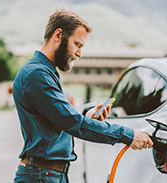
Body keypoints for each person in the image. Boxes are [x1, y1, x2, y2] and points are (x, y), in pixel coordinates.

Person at [13, 9, 153, 183]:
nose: (79, 53)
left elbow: (59, 120)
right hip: (42, 176)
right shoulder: (37, 75)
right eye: (77, 44)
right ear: (58, 35)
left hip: (47, 175)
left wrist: (86, 116)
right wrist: (127, 135)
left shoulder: (43, 72)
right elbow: (71, 122)